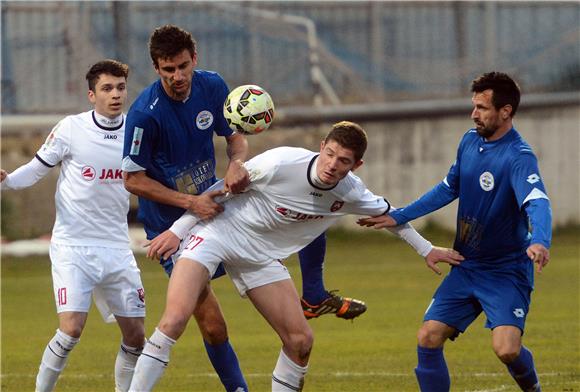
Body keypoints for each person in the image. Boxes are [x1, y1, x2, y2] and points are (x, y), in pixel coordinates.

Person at [127, 121, 463, 391]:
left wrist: (426, 249)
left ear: (356, 164)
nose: (333, 165)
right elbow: (218, 190)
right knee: (174, 320)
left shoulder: (351, 192)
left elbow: (392, 218)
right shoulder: (280, 162)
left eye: (343, 160)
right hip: (217, 234)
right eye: (330, 154)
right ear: (321, 148)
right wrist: (177, 231)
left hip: (260, 257)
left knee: (300, 341)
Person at [121, 24, 364, 392]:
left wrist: (236, 162)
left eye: (183, 66)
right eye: (168, 70)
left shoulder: (213, 86)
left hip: (225, 214)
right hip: (177, 227)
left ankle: (312, 292)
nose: (178, 76)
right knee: (209, 324)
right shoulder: (145, 114)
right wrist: (191, 204)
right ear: (156, 68)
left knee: (300, 335)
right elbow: (132, 181)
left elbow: (235, 137)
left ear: (195, 59)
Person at [358, 72, 551, 391]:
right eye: (474, 106)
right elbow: (449, 188)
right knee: (428, 336)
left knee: (507, 350)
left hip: (505, 270)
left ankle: (533, 388)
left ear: (505, 112)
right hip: (467, 263)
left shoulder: (519, 157)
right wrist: (399, 215)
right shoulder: (469, 141)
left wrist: (541, 240)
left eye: (482, 108)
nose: (474, 114)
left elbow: (538, 202)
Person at [0, 60, 146, 392]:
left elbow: (147, 182)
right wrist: (7, 182)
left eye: (121, 87)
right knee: (71, 329)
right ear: (91, 94)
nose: (115, 95)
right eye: (107, 89)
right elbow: (36, 168)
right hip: (73, 246)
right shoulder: (70, 128)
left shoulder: (136, 132)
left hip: (116, 247)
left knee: (136, 337)